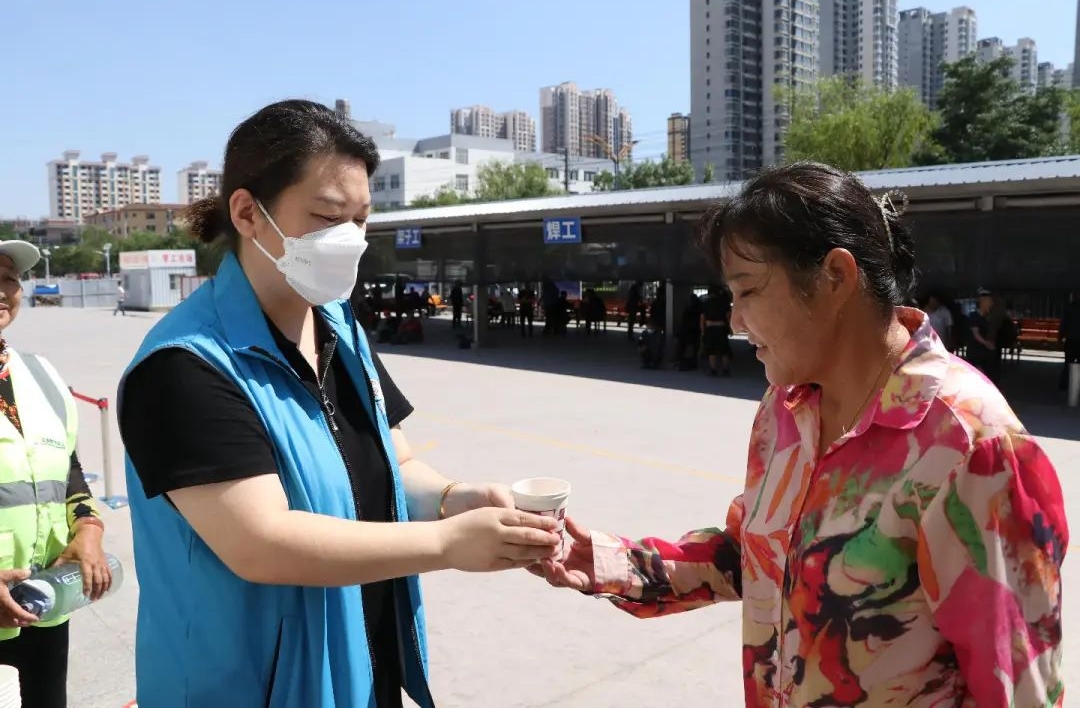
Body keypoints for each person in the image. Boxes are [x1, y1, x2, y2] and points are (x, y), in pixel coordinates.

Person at [535, 162, 1067, 707]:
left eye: (747, 291)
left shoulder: (970, 446)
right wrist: (607, 562)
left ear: (835, 277)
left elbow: (1019, 686)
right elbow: (752, 554)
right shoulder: (787, 407)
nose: (735, 321)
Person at [116, 100, 559, 708]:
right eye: (327, 217)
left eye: (361, 219)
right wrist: (447, 544)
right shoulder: (184, 367)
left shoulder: (339, 328)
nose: (348, 239)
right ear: (247, 213)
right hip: (249, 688)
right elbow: (261, 543)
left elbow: (396, 463)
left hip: (356, 667)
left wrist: (457, 499)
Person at [0, 240, 113, 708]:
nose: (3, 291)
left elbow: (68, 468)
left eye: (9, 279)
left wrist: (89, 529)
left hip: (40, 599)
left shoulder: (40, 374)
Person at [699, 285, 732, 376]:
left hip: (710, 328)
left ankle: (713, 370)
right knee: (724, 350)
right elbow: (728, 316)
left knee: (711, 350)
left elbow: (702, 318)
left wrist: (702, 331)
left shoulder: (706, 303)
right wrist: (730, 328)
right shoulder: (724, 303)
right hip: (721, 327)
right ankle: (725, 370)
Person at [967, 288, 998, 382]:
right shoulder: (974, 316)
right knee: (978, 378)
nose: (991, 304)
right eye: (989, 301)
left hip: (987, 355)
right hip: (976, 353)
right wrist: (986, 343)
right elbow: (976, 333)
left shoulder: (989, 317)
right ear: (982, 302)